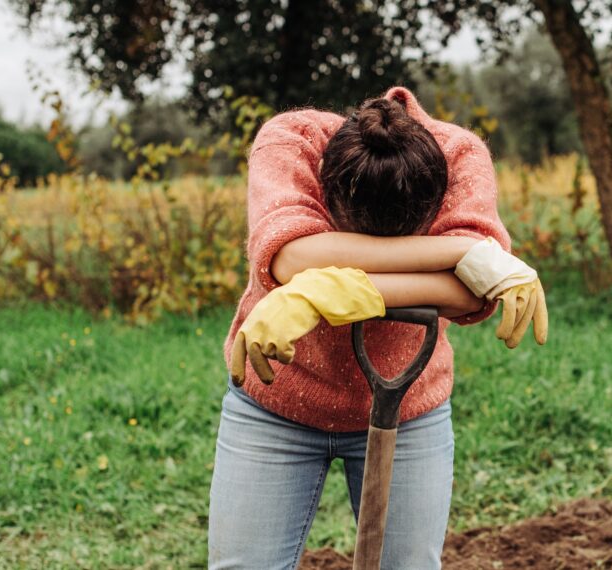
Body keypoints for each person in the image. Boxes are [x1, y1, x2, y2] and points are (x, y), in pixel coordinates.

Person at [207, 86, 547, 570]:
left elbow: (472, 294)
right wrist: (458, 255)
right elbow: (290, 256)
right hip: (275, 402)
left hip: (409, 409)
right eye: (354, 237)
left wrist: (326, 284)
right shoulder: (290, 143)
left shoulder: (458, 157)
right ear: (328, 187)